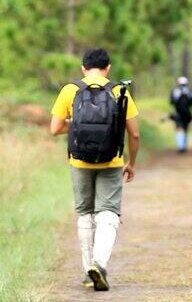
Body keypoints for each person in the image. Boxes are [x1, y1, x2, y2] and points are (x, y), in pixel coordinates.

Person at [50, 48, 140, 291]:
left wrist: (78, 125)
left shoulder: (70, 90)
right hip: (111, 161)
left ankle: (89, 269)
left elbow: (55, 128)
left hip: (79, 162)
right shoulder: (119, 91)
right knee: (108, 212)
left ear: (83, 68)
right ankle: (99, 264)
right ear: (108, 68)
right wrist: (132, 163)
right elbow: (135, 133)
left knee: (85, 213)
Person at [169, 76, 192, 153]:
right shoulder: (190, 92)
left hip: (178, 114)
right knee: (185, 129)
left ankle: (181, 146)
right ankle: (184, 146)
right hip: (188, 114)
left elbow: (171, 102)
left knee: (179, 129)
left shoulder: (175, 91)